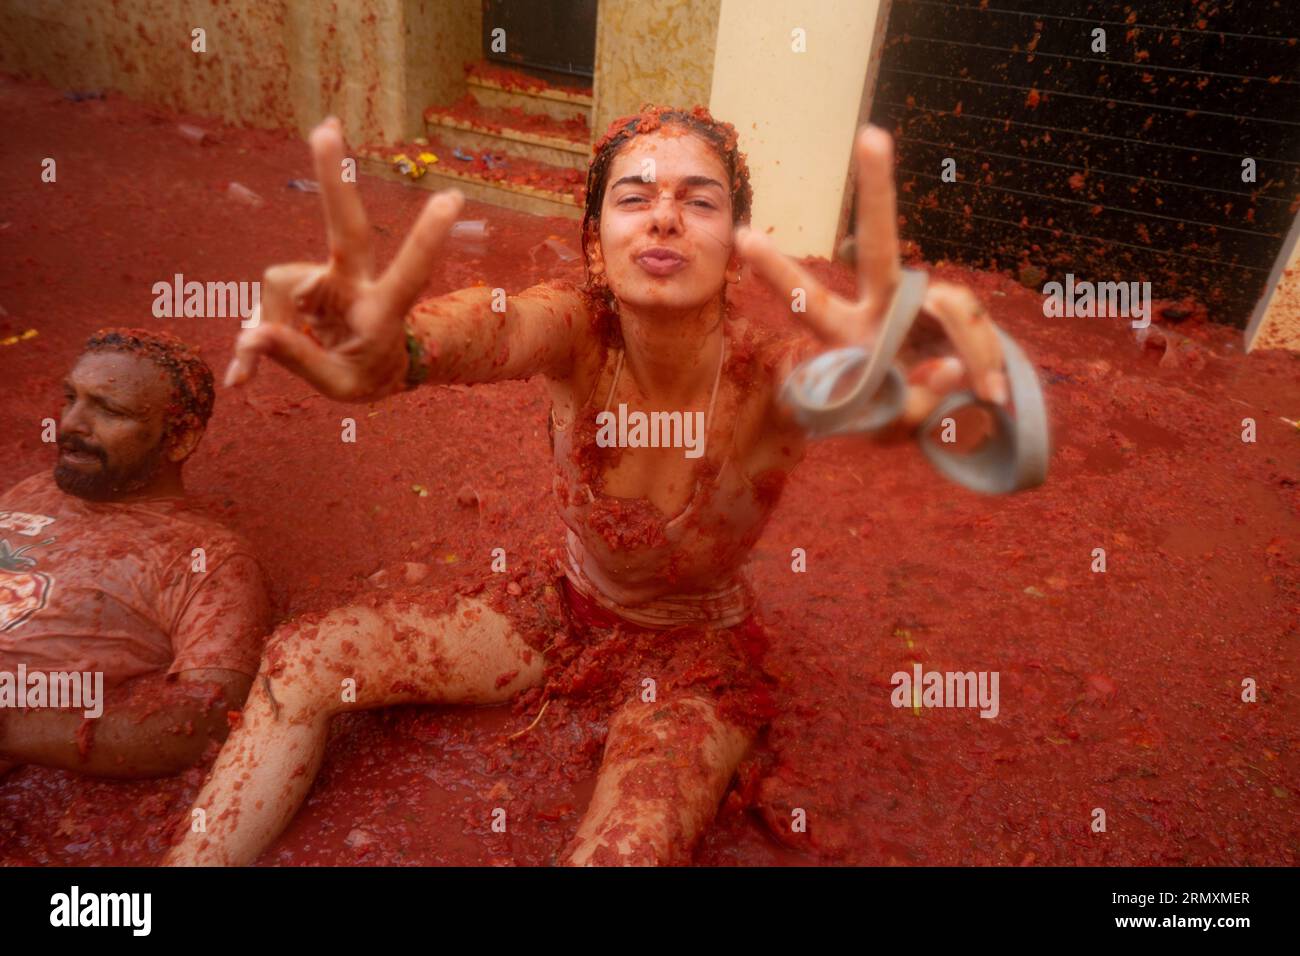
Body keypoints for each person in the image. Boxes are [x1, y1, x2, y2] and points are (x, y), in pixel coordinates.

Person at [163, 106, 1007, 866]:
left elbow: (867, 396)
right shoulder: (577, 328)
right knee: (304, 658)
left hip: (694, 662)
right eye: (634, 197)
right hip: (560, 610)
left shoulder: (775, 375)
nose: (666, 216)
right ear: (596, 243)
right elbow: (493, 325)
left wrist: (919, 390)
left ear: (737, 243)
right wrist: (397, 350)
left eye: (700, 200)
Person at [0, 329, 270, 780]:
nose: (70, 424)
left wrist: (6, 726)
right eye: (72, 398)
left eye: (109, 410)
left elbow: (204, 722)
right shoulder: (34, 490)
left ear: (180, 438)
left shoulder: (209, 560)